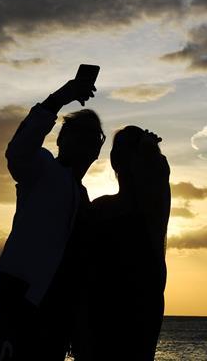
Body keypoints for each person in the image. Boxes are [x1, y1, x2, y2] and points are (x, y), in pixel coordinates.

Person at [0, 79, 103, 361]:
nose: (87, 143)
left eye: (94, 138)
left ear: (97, 151)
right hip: (20, 300)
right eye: (79, 134)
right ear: (62, 139)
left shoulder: (83, 197)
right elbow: (18, 150)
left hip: (55, 313)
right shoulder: (41, 168)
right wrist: (60, 98)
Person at [73, 126, 171, 360]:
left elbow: (158, 173)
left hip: (137, 315)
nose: (123, 158)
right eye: (119, 151)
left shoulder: (150, 210)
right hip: (98, 318)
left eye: (129, 150)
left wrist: (147, 150)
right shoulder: (99, 208)